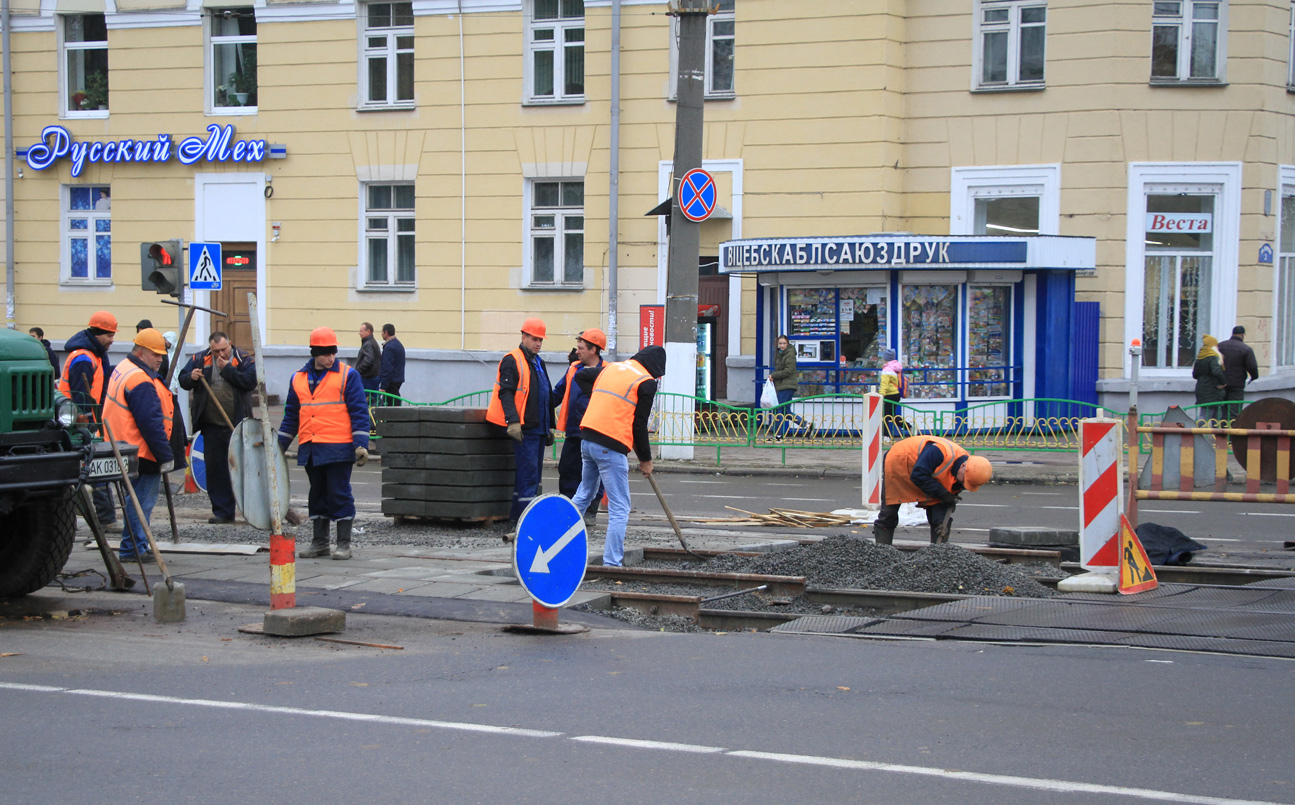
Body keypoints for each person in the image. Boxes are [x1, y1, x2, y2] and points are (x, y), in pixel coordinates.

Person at [278, 327, 370, 560]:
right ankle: (320, 543)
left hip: (339, 447)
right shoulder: (298, 378)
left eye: (333, 353)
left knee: (339, 494)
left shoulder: (348, 375)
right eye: (326, 353)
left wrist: (360, 444)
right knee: (317, 495)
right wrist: (278, 446)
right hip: (311, 448)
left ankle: (343, 545)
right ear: (314, 353)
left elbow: (359, 412)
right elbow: (291, 416)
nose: (331, 357)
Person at [570, 346, 666, 567]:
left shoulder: (612, 368)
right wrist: (646, 460)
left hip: (587, 439)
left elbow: (581, 375)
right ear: (655, 368)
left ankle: (556, 541)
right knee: (620, 507)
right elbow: (639, 426)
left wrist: (601, 400)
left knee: (584, 494)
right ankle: (612, 563)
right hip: (610, 446)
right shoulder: (646, 382)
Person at [102, 329, 175, 562]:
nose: (160, 359)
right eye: (155, 354)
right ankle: (133, 548)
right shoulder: (140, 380)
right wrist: (165, 455)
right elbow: (150, 423)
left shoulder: (124, 368)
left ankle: (134, 545)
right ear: (141, 352)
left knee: (134, 500)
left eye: (162, 355)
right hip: (141, 451)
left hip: (123, 446)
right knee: (140, 502)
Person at [178, 331, 257, 524]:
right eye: (216, 351)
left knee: (243, 469)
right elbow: (182, 380)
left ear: (230, 343)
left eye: (223, 349)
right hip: (211, 425)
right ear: (210, 349)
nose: (220, 354)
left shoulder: (243, 359)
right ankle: (223, 511)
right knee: (216, 470)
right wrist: (191, 377)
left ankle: (252, 511)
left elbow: (250, 382)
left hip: (237, 426)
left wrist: (227, 369)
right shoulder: (199, 359)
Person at [486, 318, 553, 522]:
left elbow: (545, 394)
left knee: (532, 476)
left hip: (537, 428)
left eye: (540, 340)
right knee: (529, 476)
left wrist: (549, 426)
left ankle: (517, 518)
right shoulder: (512, 360)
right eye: (534, 339)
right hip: (526, 428)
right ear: (524, 337)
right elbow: (505, 392)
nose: (538, 343)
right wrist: (513, 421)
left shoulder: (538, 362)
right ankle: (527, 522)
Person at [872, 435, 993, 546]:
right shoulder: (938, 452)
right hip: (899, 461)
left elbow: (947, 489)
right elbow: (918, 475)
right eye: (964, 481)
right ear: (963, 466)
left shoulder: (967, 467)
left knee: (940, 517)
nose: (964, 485)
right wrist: (943, 494)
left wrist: (948, 500)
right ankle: (883, 549)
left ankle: (938, 551)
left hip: (925, 473)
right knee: (889, 512)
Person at [59, 310, 119, 533]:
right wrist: (89, 422)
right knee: (96, 467)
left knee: (91, 468)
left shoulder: (93, 354)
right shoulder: (84, 358)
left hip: (84, 420)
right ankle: (106, 518)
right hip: (78, 423)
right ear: (97, 334)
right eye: (109, 335)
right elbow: (79, 394)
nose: (112, 340)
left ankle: (99, 515)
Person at [551, 328, 606, 521]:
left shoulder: (607, 371)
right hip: (574, 432)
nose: (577, 351)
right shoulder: (574, 368)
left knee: (593, 474)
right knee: (568, 470)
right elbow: (558, 393)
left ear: (593, 350)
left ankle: (590, 511)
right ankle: (568, 510)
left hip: (596, 433)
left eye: (581, 348)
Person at [769, 334, 812, 440]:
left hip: (786, 386)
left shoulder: (789, 354)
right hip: (785, 385)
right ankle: (807, 425)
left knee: (779, 410)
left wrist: (774, 375)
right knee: (786, 411)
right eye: (780, 343)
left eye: (784, 343)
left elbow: (788, 370)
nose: (782, 345)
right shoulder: (782, 354)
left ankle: (778, 435)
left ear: (788, 344)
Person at [1216, 325, 1258, 424]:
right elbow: (1252, 367)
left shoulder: (1219, 346)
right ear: (1242, 335)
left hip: (1220, 383)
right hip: (1237, 384)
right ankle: (1232, 431)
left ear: (1233, 334)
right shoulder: (1246, 349)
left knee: (1221, 410)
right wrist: (1254, 377)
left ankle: (1221, 430)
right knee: (1234, 411)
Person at [1192, 335, 1227, 425]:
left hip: (1202, 388)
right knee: (1206, 416)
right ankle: (1191, 430)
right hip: (1212, 390)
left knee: (1216, 416)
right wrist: (1223, 382)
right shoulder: (1213, 358)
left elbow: (1195, 375)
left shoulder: (1199, 358)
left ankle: (1217, 434)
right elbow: (1216, 372)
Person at [878, 347, 910, 437]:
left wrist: (880, 395)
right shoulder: (895, 368)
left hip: (889, 395)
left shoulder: (886, 370)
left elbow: (884, 384)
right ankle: (908, 426)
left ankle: (886, 436)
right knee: (892, 415)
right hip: (896, 394)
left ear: (886, 358)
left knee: (885, 416)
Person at [354, 322, 382, 404]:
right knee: (374, 400)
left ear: (368, 331)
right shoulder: (372, 342)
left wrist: (358, 370)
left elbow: (368, 360)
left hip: (367, 377)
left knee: (362, 400)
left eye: (361, 331)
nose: (359, 333)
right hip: (374, 376)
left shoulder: (368, 344)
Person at [378, 323, 406, 405]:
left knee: (391, 404)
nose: (381, 334)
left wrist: (383, 385)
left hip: (391, 381)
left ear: (386, 332)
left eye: (382, 332)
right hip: (397, 379)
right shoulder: (398, 344)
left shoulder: (389, 347)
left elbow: (387, 367)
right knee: (394, 401)